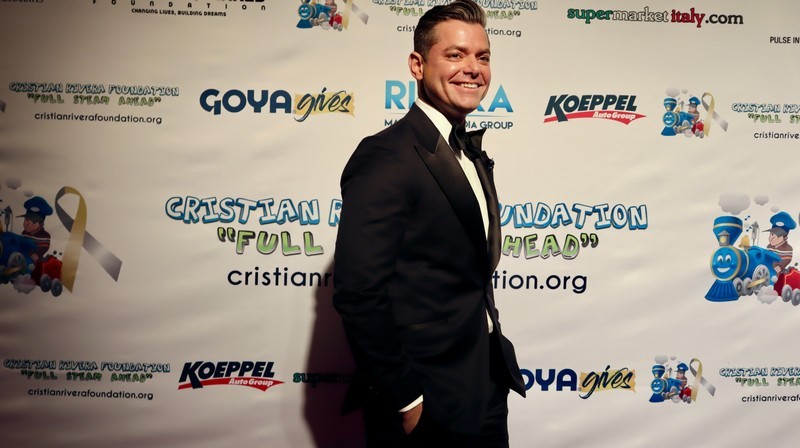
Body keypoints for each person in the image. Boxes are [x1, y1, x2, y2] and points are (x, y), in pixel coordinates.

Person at [332, 1, 525, 446]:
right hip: (427, 399)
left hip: (482, 384)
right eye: (455, 55)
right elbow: (359, 293)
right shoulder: (387, 155)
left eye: (482, 56)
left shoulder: (469, 152)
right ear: (417, 65)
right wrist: (407, 401)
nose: (473, 68)